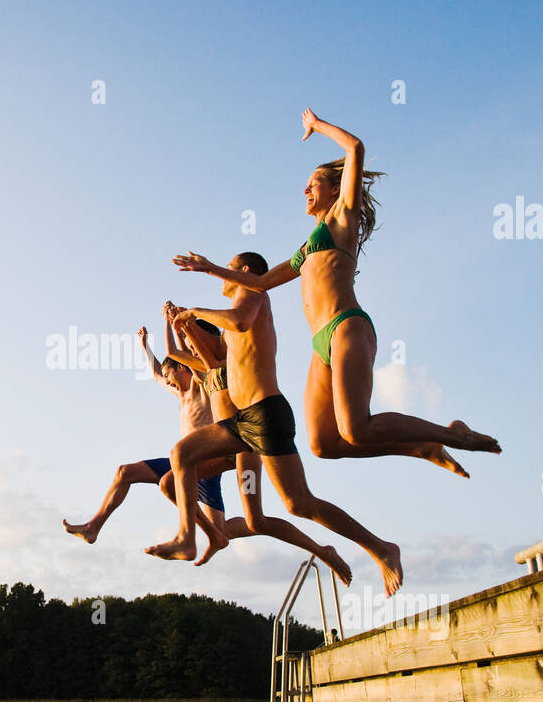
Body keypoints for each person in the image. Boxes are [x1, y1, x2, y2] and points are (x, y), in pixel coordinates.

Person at [173, 108, 499, 478]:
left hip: (347, 326)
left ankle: (451, 434)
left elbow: (356, 148)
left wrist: (317, 126)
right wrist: (210, 267)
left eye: (314, 183)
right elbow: (261, 283)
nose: (306, 189)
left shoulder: (343, 219)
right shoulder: (307, 248)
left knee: (356, 428)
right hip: (321, 342)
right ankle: (420, 446)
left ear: (334, 189)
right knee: (324, 444)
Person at [146, 253, 402, 595]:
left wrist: (194, 311)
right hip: (240, 427)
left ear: (246, 272)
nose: (223, 276)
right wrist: (181, 323)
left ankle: (380, 547)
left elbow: (237, 321)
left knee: (299, 503)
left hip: (265, 416)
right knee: (181, 457)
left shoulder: (252, 294)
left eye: (229, 268)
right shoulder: (224, 337)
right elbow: (204, 354)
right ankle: (188, 537)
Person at [164, 306, 351, 584]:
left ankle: (322, 551)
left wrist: (188, 325)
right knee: (170, 483)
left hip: (245, 447)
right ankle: (215, 534)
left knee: (258, 519)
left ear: (211, 339)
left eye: (196, 344)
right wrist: (173, 324)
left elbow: (204, 351)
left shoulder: (226, 359)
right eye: (190, 348)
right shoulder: (203, 368)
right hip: (222, 448)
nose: (192, 351)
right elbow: (178, 354)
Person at [63, 310, 230, 556]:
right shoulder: (180, 395)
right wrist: (145, 347)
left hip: (206, 464)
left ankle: (226, 532)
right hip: (184, 462)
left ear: (182, 368)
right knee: (125, 472)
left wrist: (178, 327)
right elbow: (155, 373)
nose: (167, 381)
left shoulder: (202, 384)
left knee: (227, 529)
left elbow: (182, 354)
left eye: (169, 374)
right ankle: (93, 527)